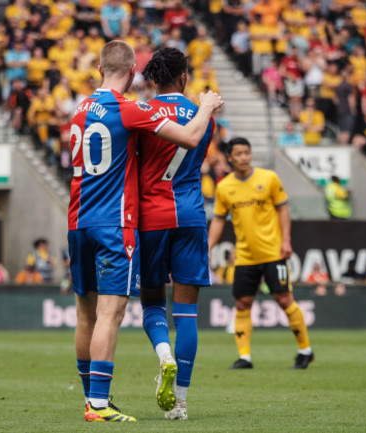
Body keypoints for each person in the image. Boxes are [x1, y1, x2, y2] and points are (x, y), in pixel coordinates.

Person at [67, 40, 223, 423]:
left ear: (100, 70)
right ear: (133, 73)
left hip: (89, 218)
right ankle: (146, 403)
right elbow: (190, 139)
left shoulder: (81, 109)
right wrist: (203, 107)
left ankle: (95, 397)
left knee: (90, 314)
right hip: (141, 218)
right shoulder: (133, 109)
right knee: (132, 313)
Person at [137, 47, 215, 420]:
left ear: (153, 78)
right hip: (190, 216)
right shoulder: (204, 116)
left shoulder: (142, 113)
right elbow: (195, 151)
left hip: (151, 218)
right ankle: (180, 404)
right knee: (187, 314)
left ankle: (163, 355)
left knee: (152, 302)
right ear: (184, 77)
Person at [208, 137, 314, 370]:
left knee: (284, 299)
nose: (244, 157)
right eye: (238, 154)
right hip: (245, 255)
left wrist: (286, 240)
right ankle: (244, 356)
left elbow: (283, 209)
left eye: (247, 152)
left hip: (274, 252)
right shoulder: (224, 187)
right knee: (243, 302)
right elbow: (218, 219)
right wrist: (208, 248)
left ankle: (305, 350)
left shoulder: (269, 178)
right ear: (230, 157)